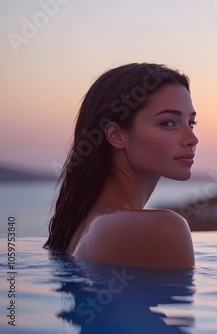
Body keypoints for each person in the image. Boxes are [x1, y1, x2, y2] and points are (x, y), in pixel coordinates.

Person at [44, 63, 198, 268]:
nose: (192, 139)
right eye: (168, 123)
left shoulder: (80, 226)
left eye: (191, 123)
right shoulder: (162, 228)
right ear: (116, 135)